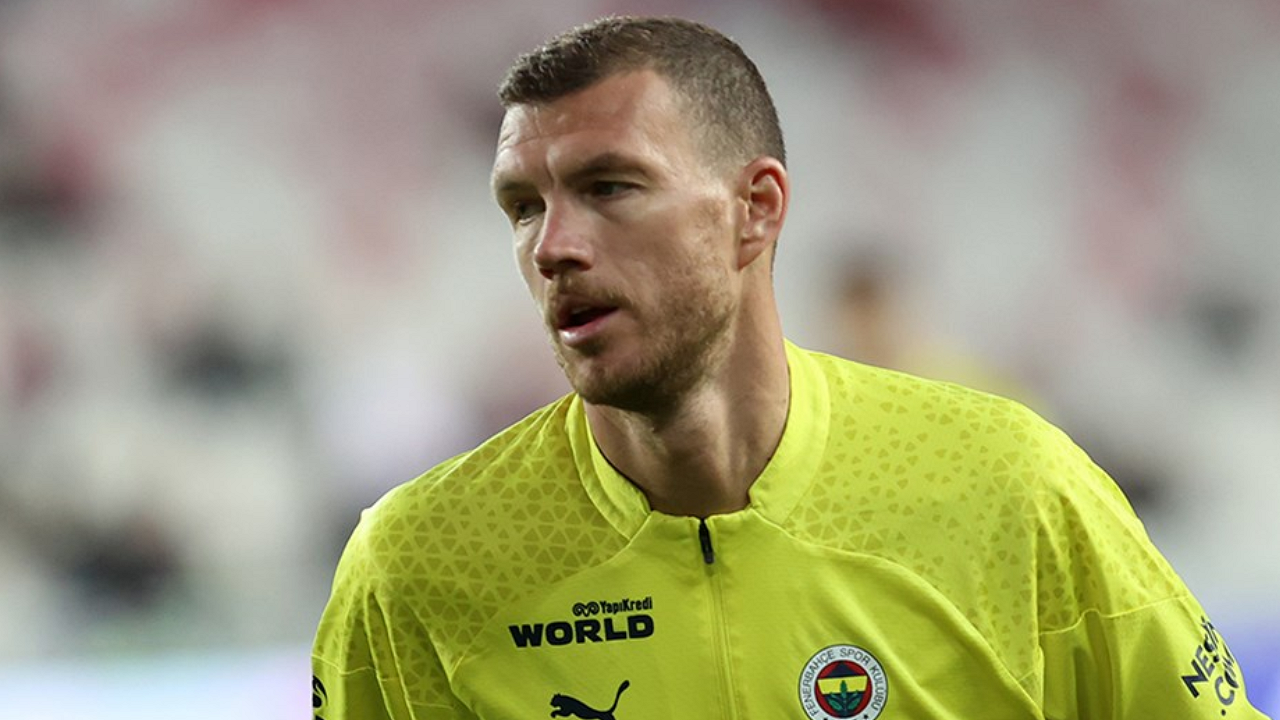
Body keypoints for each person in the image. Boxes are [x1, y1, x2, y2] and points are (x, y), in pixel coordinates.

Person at [311, 16, 1270, 720]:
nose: (553, 245)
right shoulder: (420, 565)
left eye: (610, 187)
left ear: (756, 209)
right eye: (523, 206)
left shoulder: (1013, 490)